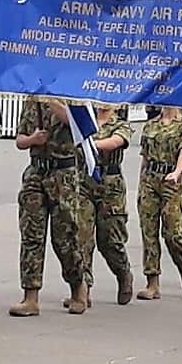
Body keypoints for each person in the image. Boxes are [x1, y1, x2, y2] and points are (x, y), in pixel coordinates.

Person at [8, 97, 89, 317]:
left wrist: (53, 102)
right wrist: (32, 139)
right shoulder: (32, 102)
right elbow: (19, 140)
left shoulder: (74, 99)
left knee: (64, 237)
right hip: (36, 172)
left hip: (63, 174)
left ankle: (77, 285)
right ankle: (30, 296)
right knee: (31, 234)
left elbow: (81, 129)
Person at [73, 105, 135, 306]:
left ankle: (123, 272)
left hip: (111, 184)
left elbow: (116, 141)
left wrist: (89, 144)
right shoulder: (85, 122)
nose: (103, 104)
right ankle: (83, 289)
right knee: (82, 237)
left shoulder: (120, 124)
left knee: (110, 240)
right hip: (86, 181)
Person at [136, 106, 182, 300]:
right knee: (149, 231)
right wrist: (141, 183)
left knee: (173, 233)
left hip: (173, 180)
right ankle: (152, 281)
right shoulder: (150, 125)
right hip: (150, 179)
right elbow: (145, 157)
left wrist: (178, 172)